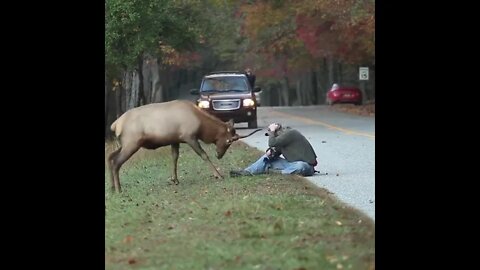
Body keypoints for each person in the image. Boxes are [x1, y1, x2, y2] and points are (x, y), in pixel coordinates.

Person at [230, 123, 318, 177]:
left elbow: (272, 143)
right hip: (290, 165)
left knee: (300, 166)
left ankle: (277, 173)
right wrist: (270, 153)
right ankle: (247, 172)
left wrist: (272, 131)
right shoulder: (282, 142)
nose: (271, 136)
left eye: (272, 134)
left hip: (307, 166)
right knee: (267, 159)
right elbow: (273, 151)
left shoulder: (291, 133)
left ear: (277, 132)